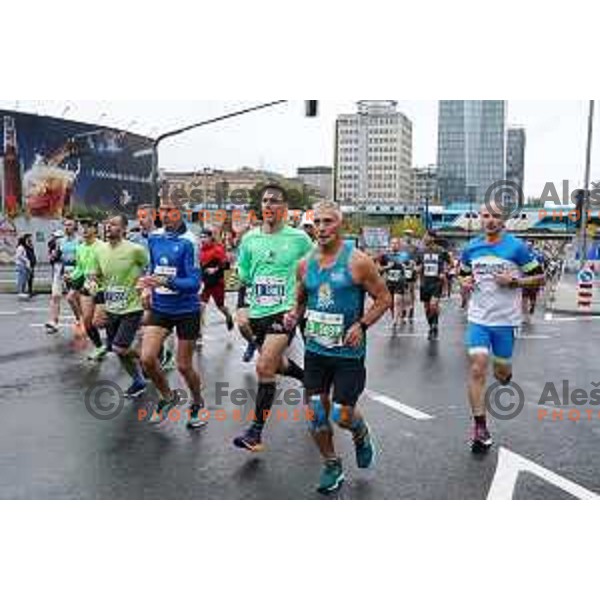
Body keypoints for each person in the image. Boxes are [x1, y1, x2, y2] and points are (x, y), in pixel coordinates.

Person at [286, 201, 391, 494]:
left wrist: (361, 325)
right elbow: (302, 300)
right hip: (316, 353)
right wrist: (294, 315)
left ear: (340, 224)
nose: (321, 228)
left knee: (342, 415)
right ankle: (332, 464)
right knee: (317, 413)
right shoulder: (304, 264)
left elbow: (383, 299)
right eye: (317, 222)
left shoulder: (358, 262)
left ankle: (359, 431)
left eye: (328, 221)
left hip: (348, 355)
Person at [232, 184, 314, 452]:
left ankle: (255, 432)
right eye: (265, 201)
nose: (268, 205)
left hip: (284, 311)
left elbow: (312, 271)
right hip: (256, 312)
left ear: (285, 208)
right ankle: (305, 378)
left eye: (274, 201)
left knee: (264, 367)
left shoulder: (300, 239)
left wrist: (300, 308)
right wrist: (241, 307)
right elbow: (243, 276)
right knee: (275, 363)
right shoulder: (249, 240)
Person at [459, 202, 545, 452]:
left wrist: (515, 281)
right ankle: (480, 426)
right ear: (480, 219)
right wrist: (463, 282)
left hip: (506, 321)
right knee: (477, 366)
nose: (490, 220)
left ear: (504, 220)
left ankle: (505, 373)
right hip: (478, 319)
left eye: (496, 216)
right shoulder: (471, 247)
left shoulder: (516, 247)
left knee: (501, 374)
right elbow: (463, 274)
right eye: (486, 216)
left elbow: (540, 277)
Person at [139, 202, 206, 429]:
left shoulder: (190, 241)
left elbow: (194, 283)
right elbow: (152, 269)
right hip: (161, 307)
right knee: (147, 358)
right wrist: (147, 287)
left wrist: (166, 281)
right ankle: (168, 397)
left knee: (184, 366)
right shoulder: (154, 237)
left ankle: (197, 403)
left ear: (181, 212)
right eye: (163, 210)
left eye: (171, 210)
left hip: (187, 310)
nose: (165, 215)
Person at [90, 215, 149, 397]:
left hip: (132, 307)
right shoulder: (99, 251)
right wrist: (92, 282)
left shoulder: (135, 250)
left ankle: (150, 358)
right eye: (107, 224)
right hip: (111, 307)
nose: (109, 227)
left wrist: (145, 285)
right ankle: (138, 381)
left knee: (119, 348)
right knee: (118, 351)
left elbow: (149, 268)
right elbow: (95, 274)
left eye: (114, 224)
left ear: (123, 228)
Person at [68, 220, 108, 361]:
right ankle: (99, 346)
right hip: (87, 286)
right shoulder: (80, 248)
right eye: (82, 227)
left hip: (103, 287)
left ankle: (115, 339)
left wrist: (99, 274)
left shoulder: (103, 247)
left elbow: (109, 267)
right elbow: (80, 268)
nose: (84, 230)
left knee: (100, 322)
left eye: (88, 227)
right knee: (87, 321)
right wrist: (71, 276)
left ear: (95, 230)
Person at [46, 216, 80, 334]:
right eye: (65, 225)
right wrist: (53, 256)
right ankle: (54, 322)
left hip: (76, 271)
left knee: (74, 298)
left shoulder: (80, 240)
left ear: (75, 227)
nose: (67, 227)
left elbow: (83, 258)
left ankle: (79, 319)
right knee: (55, 296)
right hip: (61, 271)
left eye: (70, 225)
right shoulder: (60, 241)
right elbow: (55, 256)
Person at [415, 230, 450, 340]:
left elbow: (451, 263)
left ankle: (434, 326)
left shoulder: (441, 251)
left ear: (432, 238)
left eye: (426, 236)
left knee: (433, 305)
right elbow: (417, 266)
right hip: (424, 282)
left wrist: (444, 272)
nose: (424, 238)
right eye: (424, 236)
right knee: (426, 308)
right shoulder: (421, 251)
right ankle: (431, 327)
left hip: (436, 282)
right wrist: (417, 269)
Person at [199, 228, 235, 333]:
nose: (203, 239)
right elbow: (201, 266)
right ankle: (199, 331)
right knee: (200, 306)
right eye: (201, 237)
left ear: (210, 238)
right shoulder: (201, 250)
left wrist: (215, 269)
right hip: (206, 283)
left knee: (220, 306)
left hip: (217, 283)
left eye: (205, 237)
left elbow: (226, 265)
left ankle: (228, 316)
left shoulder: (217, 249)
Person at [15, 235, 31, 300]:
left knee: (24, 278)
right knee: (21, 279)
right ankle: (20, 292)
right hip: (21, 265)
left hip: (22, 265)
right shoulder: (20, 248)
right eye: (25, 240)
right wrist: (26, 259)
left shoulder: (22, 247)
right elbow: (19, 256)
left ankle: (22, 292)